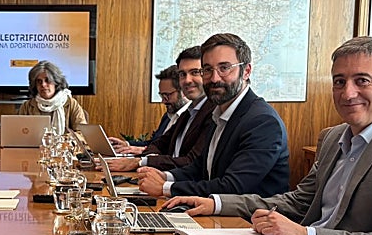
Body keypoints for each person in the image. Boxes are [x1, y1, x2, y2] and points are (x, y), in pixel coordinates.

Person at [167, 36, 372, 235]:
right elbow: (298, 202)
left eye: (361, 81)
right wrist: (216, 204)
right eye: (339, 81)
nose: (347, 93)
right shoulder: (333, 138)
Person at [137, 33, 289, 198]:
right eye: (208, 70)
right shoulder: (218, 114)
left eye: (224, 68)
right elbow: (200, 167)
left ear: (246, 71)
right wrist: (166, 176)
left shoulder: (262, 122)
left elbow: (233, 187)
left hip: (248, 220)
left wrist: (166, 188)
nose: (214, 78)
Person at [108, 47, 213, 171]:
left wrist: (141, 162)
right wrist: (147, 160)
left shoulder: (214, 113)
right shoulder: (188, 113)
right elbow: (158, 144)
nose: (187, 80)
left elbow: (192, 162)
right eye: (182, 74)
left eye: (195, 72)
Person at [112, 65, 187, 156]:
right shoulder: (168, 116)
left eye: (167, 95)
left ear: (183, 91)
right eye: (161, 95)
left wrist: (142, 155)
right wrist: (126, 144)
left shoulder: (191, 119)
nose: (163, 101)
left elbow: (178, 156)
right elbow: (153, 144)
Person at [17, 60, 88, 132]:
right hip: (34, 143)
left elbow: (82, 133)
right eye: (39, 81)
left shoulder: (71, 103)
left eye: (47, 80)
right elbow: (19, 132)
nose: (43, 85)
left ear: (56, 82)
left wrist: (64, 139)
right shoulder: (27, 106)